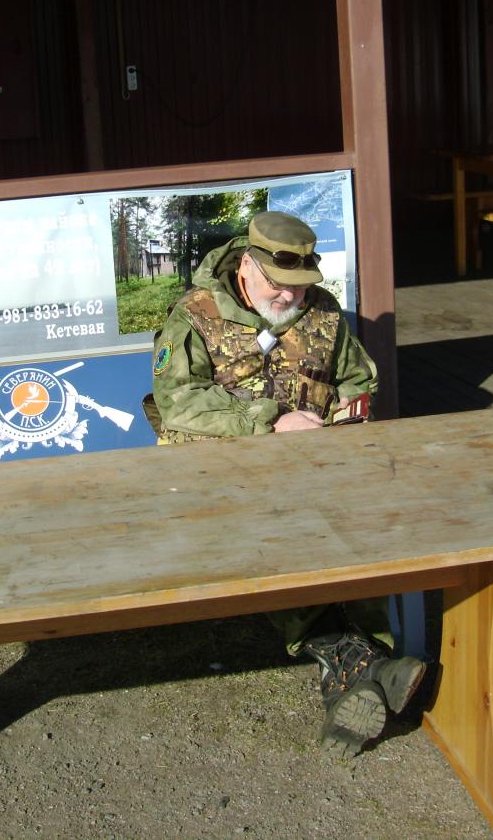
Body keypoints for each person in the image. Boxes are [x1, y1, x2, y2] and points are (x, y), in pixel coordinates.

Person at [145, 210, 426, 758]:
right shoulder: (195, 316)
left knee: (364, 527)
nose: (291, 297)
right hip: (221, 474)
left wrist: (344, 418)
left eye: (300, 286)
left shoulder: (323, 312)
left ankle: (358, 668)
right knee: (271, 537)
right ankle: (367, 665)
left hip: (314, 465)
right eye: (279, 285)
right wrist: (271, 422)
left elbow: (357, 379)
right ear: (248, 266)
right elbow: (178, 403)